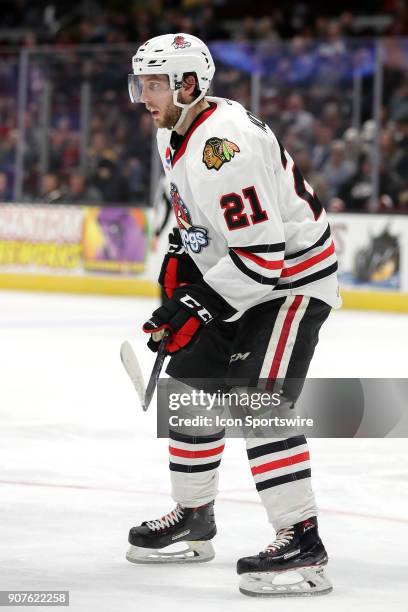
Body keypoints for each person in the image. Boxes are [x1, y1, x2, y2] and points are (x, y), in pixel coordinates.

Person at [126, 33, 341, 597]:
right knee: (193, 384)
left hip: (290, 282)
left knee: (256, 399)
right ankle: (194, 516)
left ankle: (302, 540)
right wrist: (182, 263)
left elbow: (263, 260)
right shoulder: (173, 131)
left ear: (187, 84)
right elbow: (198, 218)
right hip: (242, 273)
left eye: (153, 84)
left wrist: (194, 305)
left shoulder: (222, 145)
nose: (142, 95)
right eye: (141, 83)